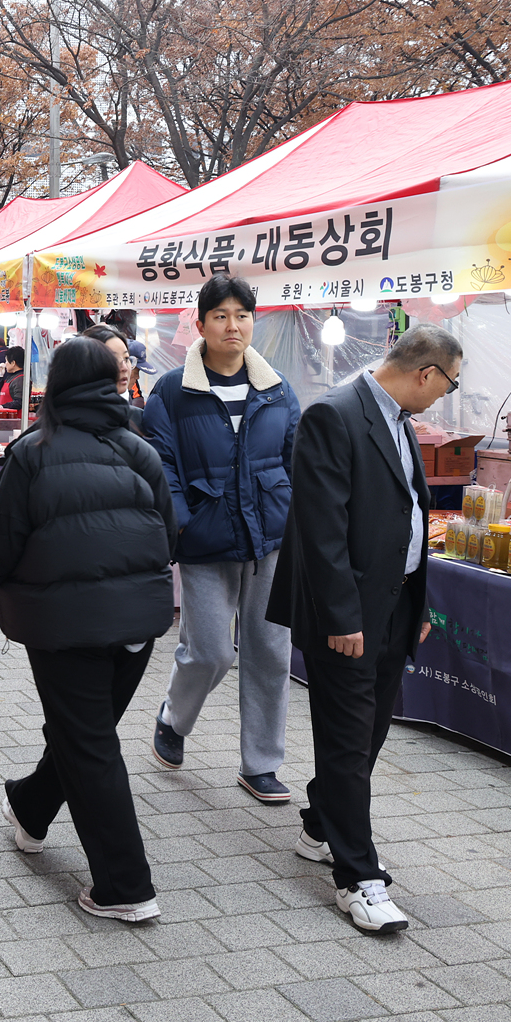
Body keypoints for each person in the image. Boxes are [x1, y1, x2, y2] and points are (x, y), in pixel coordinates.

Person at [0, 338, 178, 923]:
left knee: (89, 742)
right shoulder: (141, 451)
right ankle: (30, 809)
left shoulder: (32, 451)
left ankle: (125, 886)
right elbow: (170, 536)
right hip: (137, 628)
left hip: (62, 627)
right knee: (82, 734)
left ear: (55, 382)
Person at [268, 325, 459, 934]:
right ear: (426, 373)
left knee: (370, 732)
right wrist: (342, 617)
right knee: (348, 741)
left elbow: (405, 515)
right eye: (450, 383)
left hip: (394, 603)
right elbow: (321, 531)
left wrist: (418, 603)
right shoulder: (334, 415)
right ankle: (359, 877)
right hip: (345, 613)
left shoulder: (399, 420)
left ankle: (321, 823)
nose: (446, 395)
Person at [142, 275, 303, 806]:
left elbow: (295, 456)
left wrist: (294, 514)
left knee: (270, 652)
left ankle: (261, 763)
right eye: (221, 316)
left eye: (242, 315)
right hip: (205, 536)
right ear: (201, 322)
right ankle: (174, 717)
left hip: (270, 538)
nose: (232, 326)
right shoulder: (172, 390)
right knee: (210, 650)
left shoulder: (276, 386)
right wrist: (182, 521)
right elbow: (160, 462)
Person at [0, 345, 29, 412]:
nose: (5, 364)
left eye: (6, 361)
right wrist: (0, 375)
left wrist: (3, 407)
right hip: (6, 419)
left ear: (13, 363)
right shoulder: (11, 377)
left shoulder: (20, 379)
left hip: (16, 420)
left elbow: (19, 402)